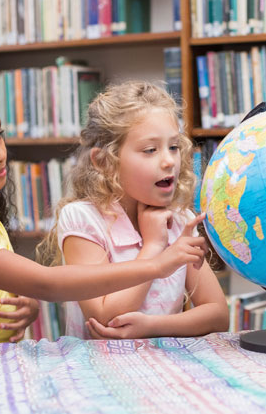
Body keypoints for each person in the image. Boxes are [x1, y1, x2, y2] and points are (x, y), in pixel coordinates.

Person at [0, 73, 207, 348]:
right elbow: (45, 283)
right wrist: (157, 263)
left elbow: (20, 289)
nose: (0, 154)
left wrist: (28, 305)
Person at [37, 81, 229, 340]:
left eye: (174, 147)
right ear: (105, 161)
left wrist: (152, 327)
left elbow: (218, 315)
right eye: (150, 150)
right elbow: (103, 318)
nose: (169, 160)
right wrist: (152, 248)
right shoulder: (83, 219)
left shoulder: (180, 219)